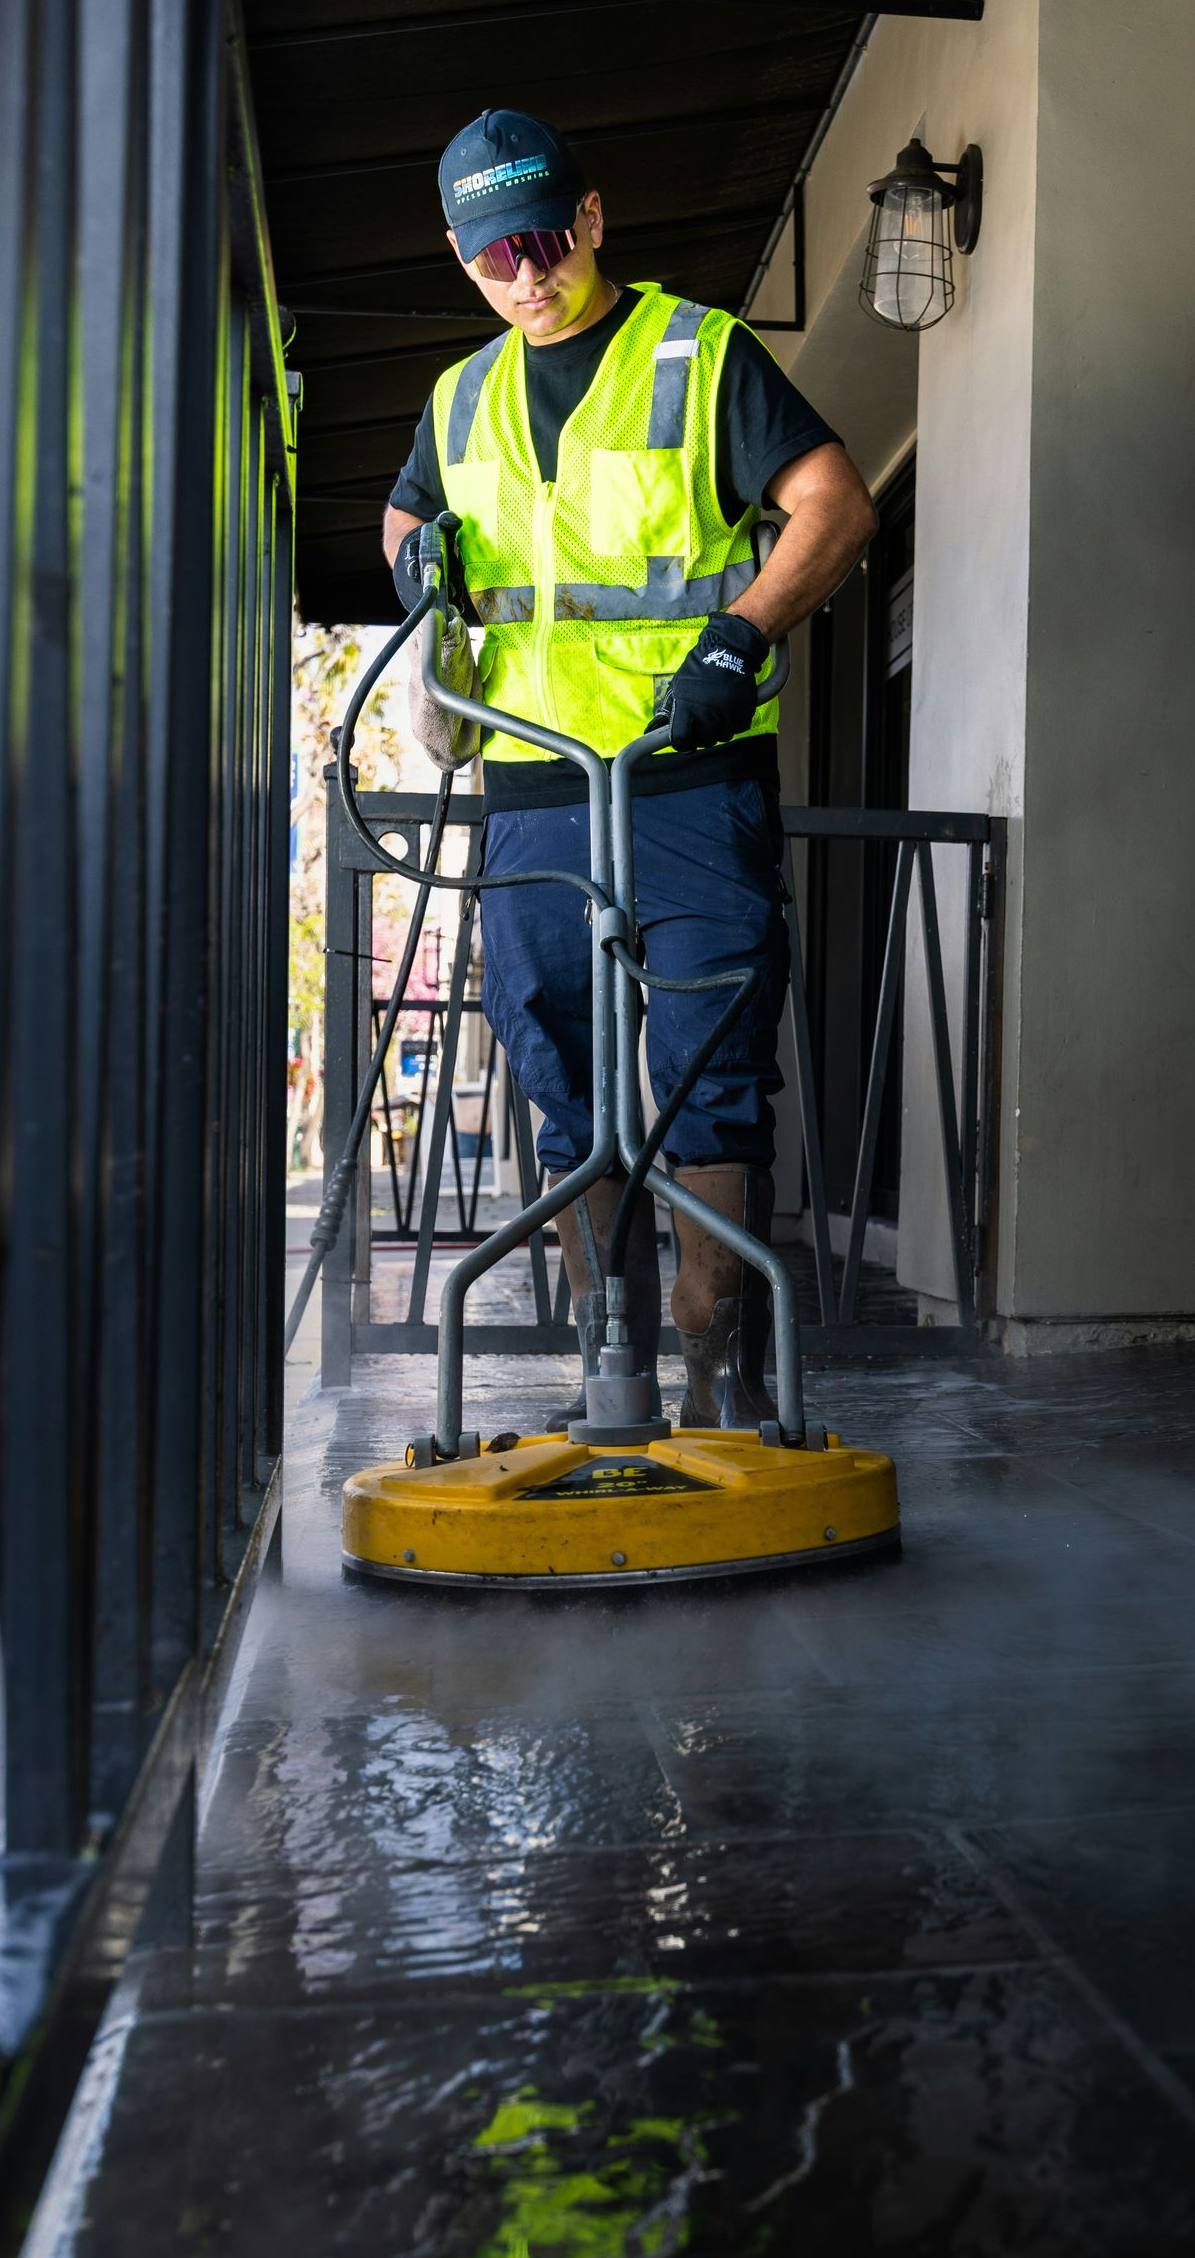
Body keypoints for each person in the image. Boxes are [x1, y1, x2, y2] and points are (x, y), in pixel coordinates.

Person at [382, 107, 876, 1427]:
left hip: (684, 771)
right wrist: (416, 574)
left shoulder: (698, 356)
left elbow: (836, 502)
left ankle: (718, 1372)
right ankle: (617, 1378)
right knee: (562, 1073)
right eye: (497, 259)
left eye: (547, 242)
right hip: (537, 786)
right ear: (457, 253)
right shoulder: (459, 395)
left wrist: (741, 633)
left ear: (592, 218)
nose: (529, 277)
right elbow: (409, 511)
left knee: (711, 1059)